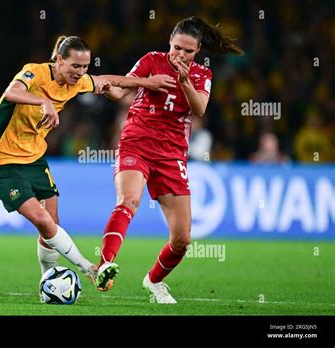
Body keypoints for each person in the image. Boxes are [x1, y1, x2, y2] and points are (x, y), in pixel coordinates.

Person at [0, 35, 175, 298]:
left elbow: (110, 80)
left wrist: (146, 83)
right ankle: (89, 268)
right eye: (75, 66)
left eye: (85, 67)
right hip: (0, 159)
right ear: (58, 60)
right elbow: (12, 92)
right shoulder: (34, 72)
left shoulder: (76, 83)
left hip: (33, 157)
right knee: (44, 221)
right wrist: (42, 102)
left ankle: (48, 279)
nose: (80, 73)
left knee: (52, 223)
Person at [95, 17, 244, 303]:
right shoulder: (152, 60)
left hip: (172, 156)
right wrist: (110, 88)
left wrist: (185, 80)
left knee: (182, 240)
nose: (180, 55)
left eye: (188, 51)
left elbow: (199, 108)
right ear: (169, 42)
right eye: (177, 48)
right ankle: (104, 265)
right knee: (129, 201)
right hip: (136, 144)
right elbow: (121, 89)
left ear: (198, 50)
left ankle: (154, 280)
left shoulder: (201, 75)